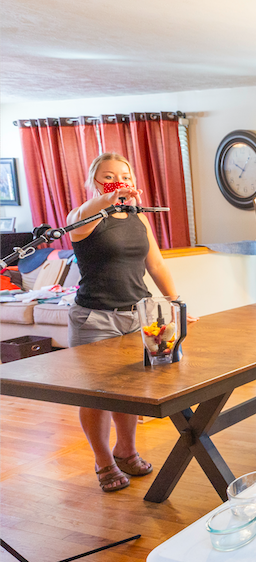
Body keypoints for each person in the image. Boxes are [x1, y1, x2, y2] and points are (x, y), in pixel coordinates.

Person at [67, 152, 190, 492]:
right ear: (95, 182)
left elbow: (157, 266)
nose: (119, 180)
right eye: (108, 176)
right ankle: (104, 461)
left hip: (136, 315)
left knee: (130, 391)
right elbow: (84, 213)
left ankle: (126, 450)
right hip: (95, 318)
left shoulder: (138, 218)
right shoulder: (82, 217)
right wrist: (108, 198)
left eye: (124, 174)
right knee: (97, 395)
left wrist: (175, 303)